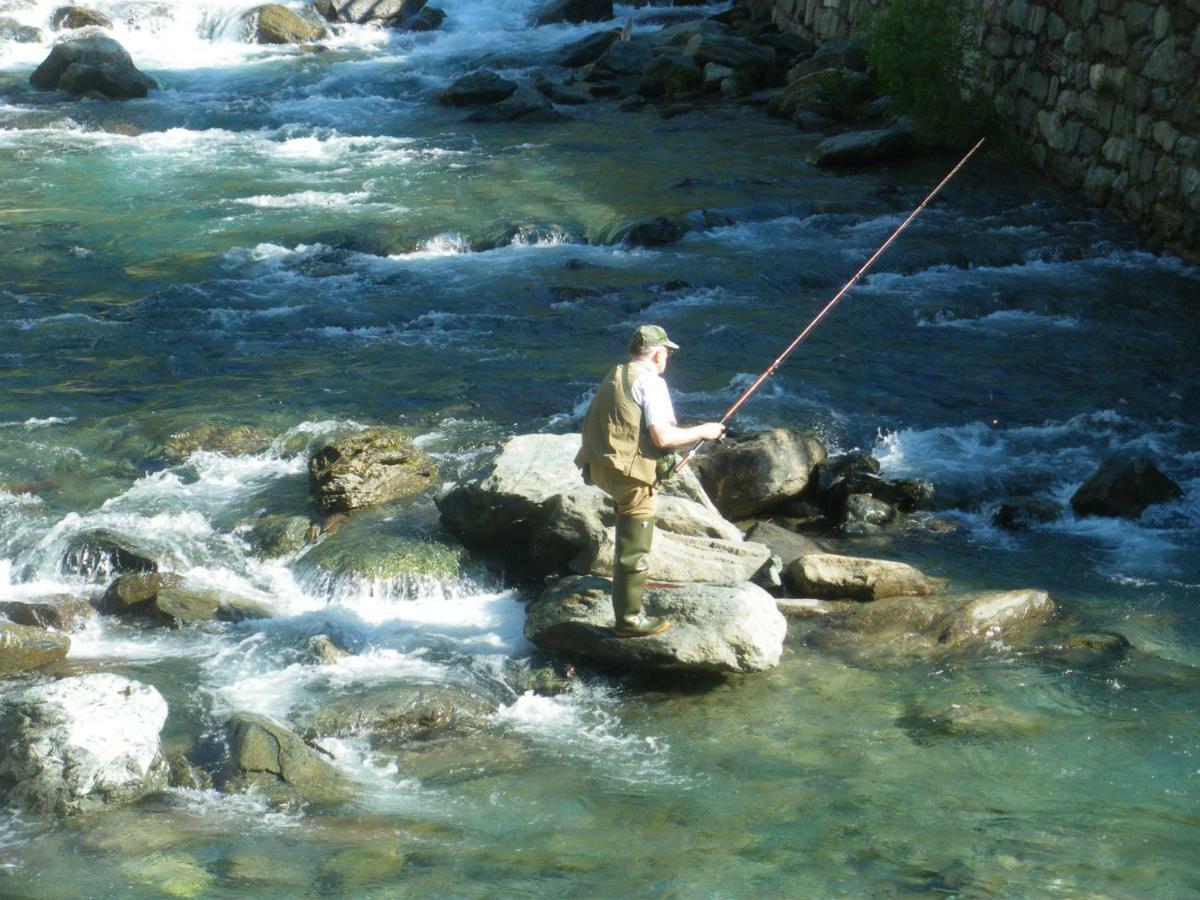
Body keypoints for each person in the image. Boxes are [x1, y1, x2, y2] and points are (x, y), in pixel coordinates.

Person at [574, 325, 726, 637]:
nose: (667, 357)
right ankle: (629, 622)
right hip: (630, 477)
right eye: (667, 352)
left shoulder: (617, 373)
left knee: (626, 536)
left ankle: (623, 597)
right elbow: (663, 436)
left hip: (601, 466)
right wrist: (705, 431)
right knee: (634, 550)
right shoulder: (652, 383)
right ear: (658, 354)